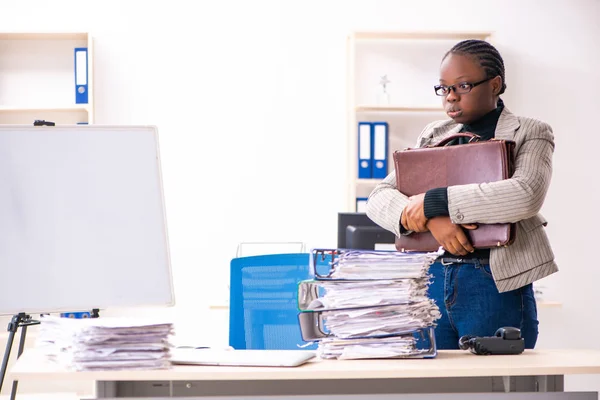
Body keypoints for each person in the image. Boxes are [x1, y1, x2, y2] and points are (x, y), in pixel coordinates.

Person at [365, 39, 557, 350]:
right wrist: (433, 221)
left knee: (498, 386)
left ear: (494, 85)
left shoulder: (530, 131)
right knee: (434, 385)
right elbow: (379, 197)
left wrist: (433, 202)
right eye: (444, 88)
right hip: (431, 280)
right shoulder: (434, 135)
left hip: (495, 282)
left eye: (463, 86)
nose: (451, 98)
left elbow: (525, 194)